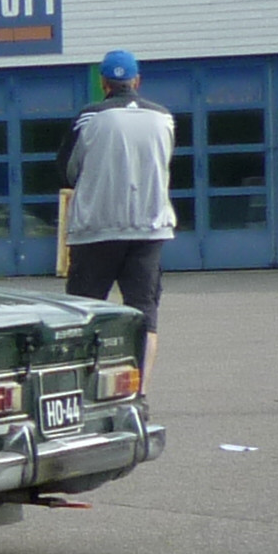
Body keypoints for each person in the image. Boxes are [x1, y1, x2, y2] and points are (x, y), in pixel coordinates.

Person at [58, 49, 177, 374]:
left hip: (96, 229)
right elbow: (164, 163)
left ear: (103, 82)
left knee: (84, 313)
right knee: (144, 315)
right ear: (137, 80)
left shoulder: (90, 117)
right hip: (149, 229)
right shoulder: (164, 118)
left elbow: (67, 169)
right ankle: (139, 398)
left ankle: (84, 394)